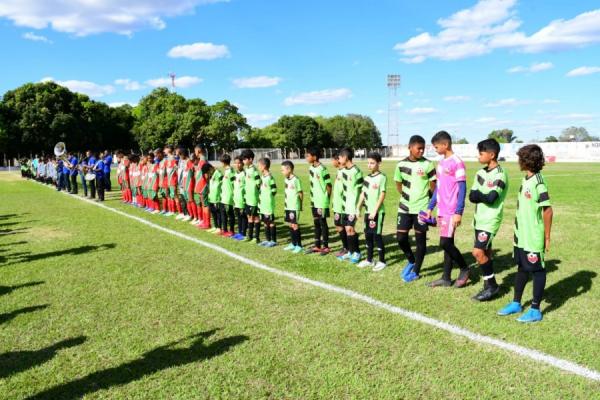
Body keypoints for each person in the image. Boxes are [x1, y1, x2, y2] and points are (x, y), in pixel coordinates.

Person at [498, 145, 553, 323]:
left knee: (537, 270)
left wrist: (546, 236)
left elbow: (548, 210)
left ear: (527, 160)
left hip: (533, 236)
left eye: (520, 158)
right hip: (521, 235)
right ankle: (516, 303)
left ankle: (535, 309)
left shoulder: (538, 182)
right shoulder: (526, 180)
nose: (518, 161)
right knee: (521, 267)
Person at [425, 131, 470, 288]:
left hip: (451, 210)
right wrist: (430, 207)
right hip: (442, 210)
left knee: (444, 243)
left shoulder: (457, 162)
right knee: (447, 242)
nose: (435, 149)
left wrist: (459, 211)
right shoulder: (441, 163)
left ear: (445, 145)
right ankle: (446, 277)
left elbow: (462, 188)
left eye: (436, 146)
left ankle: (464, 268)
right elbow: (438, 187)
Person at [469, 139, 509, 301]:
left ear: (492, 155)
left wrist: (481, 195)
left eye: (481, 153)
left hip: (491, 219)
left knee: (477, 252)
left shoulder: (501, 174)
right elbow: (472, 196)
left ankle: (492, 286)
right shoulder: (480, 173)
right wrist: (481, 196)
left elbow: (492, 198)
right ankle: (487, 284)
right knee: (485, 252)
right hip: (479, 219)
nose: (478, 156)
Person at [394, 135, 437, 283]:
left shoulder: (428, 164)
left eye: (423, 148)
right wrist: (407, 196)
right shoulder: (400, 165)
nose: (421, 151)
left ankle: (416, 271)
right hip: (405, 207)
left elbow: (433, 184)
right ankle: (411, 260)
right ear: (410, 147)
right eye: (418, 148)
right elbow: (398, 184)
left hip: (422, 209)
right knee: (401, 238)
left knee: (420, 241)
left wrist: (428, 200)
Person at [356, 152, 387, 271]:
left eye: (372, 163)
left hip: (377, 212)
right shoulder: (367, 178)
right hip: (368, 211)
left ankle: (382, 261)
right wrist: (358, 207)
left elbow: (382, 194)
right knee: (368, 235)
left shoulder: (382, 177)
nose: (369, 165)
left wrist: (375, 210)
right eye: (368, 163)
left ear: (379, 163)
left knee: (376, 235)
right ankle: (369, 260)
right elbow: (363, 193)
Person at [336, 148, 364, 264]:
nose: (338, 160)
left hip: (353, 206)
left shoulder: (356, 171)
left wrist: (359, 207)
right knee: (348, 230)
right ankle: (351, 251)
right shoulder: (343, 172)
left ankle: (356, 252)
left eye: (339, 158)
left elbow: (363, 191)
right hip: (345, 206)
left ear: (345, 158)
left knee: (350, 228)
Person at [304, 147, 332, 255]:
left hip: (322, 201)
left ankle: (326, 247)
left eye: (308, 156)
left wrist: (327, 199)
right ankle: (317, 246)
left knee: (322, 222)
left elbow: (329, 185)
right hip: (314, 200)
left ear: (314, 157)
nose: (306, 158)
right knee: (316, 222)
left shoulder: (322, 169)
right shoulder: (311, 168)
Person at [331, 152, 348, 257]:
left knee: (342, 226)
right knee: (338, 225)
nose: (332, 162)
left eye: (333, 160)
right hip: (337, 204)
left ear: (338, 160)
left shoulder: (345, 172)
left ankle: (347, 247)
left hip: (342, 205)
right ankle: (346, 246)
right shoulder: (339, 171)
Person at [242, 150, 261, 242]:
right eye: (243, 159)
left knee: (256, 217)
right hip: (248, 198)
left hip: (254, 199)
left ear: (251, 159)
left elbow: (258, 183)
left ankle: (256, 237)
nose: (243, 161)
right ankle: (249, 236)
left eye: (245, 159)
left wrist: (257, 195)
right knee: (249, 217)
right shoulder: (246, 170)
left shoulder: (254, 170)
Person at [257, 157, 277, 247]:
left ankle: (273, 240)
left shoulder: (270, 177)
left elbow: (274, 190)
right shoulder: (263, 176)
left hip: (268, 204)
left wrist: (269, 198)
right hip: (262, 204)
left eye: (259, 165)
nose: (258, 167)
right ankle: (268, 239)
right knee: (265, 221)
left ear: (264, 166)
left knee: (271, 221)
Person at [219, 154, 236, 236]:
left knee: (230, 214)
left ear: (224, 162)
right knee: (223, 214)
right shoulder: (226, 171)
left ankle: (232, 230)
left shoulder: (231, 171)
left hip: (228, 197)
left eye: (221, 162)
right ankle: (224, 230)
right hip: (223, 196)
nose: (221, 164)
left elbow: (234, 184)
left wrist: (233, 195)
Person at [231, 156, 247, 240]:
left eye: (239, 163)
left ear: (242, 164)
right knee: (239, 216)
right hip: (236, 199)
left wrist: (244, 198)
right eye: (236, 163)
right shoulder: (235, 174)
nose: (237, 165)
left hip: (242, 200)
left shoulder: (244, 174)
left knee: (243, 216)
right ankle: (239, 232)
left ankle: (243, 233)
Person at [193, 146, 209, 228]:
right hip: (200, 185)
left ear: (198, 150)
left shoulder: (203, 161)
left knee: (205, 204)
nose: (195, 153)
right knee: (203, 204)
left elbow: (206, 175)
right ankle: (204, 221)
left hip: (203, 186)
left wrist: (206, 185)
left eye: (195, 151)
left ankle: (207, 223)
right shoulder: (200, 161)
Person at [207, 159, 223, 234]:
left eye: (208, 171)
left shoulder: (218, 173)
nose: (208, 174)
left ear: (211, 168)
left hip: (217, 197)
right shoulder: (211, 175)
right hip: (211, 197)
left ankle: (219, 227)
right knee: (213, 212)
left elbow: (222, 182)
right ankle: (215, 226)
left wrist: (220, 193)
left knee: (218, 213)